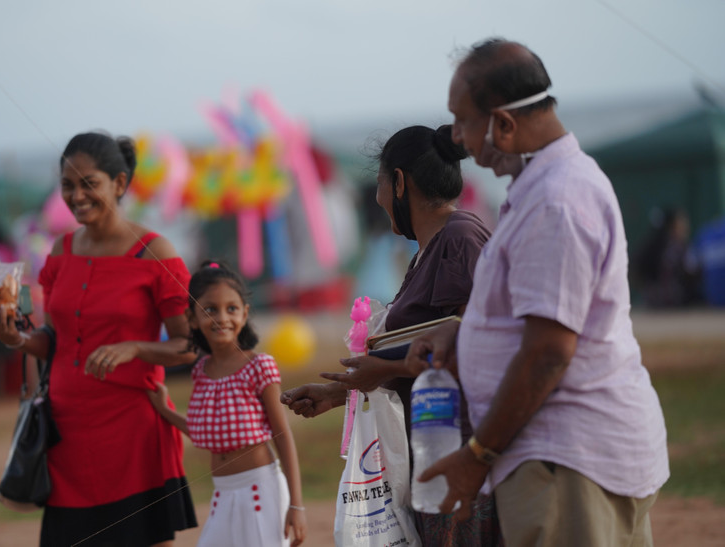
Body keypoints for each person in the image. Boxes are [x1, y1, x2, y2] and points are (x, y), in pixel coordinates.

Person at [405, 38, 670, 546]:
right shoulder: (542, 189)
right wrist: (463, 333)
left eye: (463, 121)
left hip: (568, 463)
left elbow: (549, 352)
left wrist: (477, 455)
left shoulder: (557, 202)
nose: (457, 137)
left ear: (503, 124)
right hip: (563, 460)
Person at [282, 125, 498, 545]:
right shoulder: (429, 250)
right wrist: (339, 392)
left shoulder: (459, 239)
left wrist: (383, 368)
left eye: (380, 185)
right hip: (434, 453)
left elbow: (477, 346)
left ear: (399, 182)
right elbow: (423, 351)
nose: (379, 200)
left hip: (464, 457)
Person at [0, 132, 198, 546]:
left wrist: (136, 347)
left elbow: (190, 345)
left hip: (135, 434)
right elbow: (55, 340)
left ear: (119, 184)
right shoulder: (61, 250)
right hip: (67, 437)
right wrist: (15, 338)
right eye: (67, 185)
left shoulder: (155, 253)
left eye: (89, 183)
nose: (76, 195)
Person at [148, 260, 307, 547]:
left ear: (244, 314)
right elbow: (206, 430)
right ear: (192, 318)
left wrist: (297, 505)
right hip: (222, 493)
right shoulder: (200, 371)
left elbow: (282, 435)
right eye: (210, 309)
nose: (222, 317)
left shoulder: (258, 366)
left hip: (260, 490)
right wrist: (165, 411)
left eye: (231, 308)